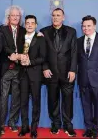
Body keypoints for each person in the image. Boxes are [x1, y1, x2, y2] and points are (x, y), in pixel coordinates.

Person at [40, 8, 77, 137]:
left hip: (67, 73)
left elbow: (73, 52)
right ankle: (55, 124)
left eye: (58, 15)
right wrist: (44, 67)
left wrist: (73, 70)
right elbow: (42, 52)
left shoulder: (71, 32)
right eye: (54, 15)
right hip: (51, 74)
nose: (55, 17)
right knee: (53, 100)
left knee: (68, 101)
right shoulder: (44, 32)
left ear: (63, 17)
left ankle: (68, 125)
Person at [0, 5, 26, 133]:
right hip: (6, 68)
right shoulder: (1, 29)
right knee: (2, 98)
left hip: (19, 70)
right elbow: (1, 46)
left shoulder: (24, 30)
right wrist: (12, 54)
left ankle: (12, 122)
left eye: (17, 15)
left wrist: (39, 35)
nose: (15, 17)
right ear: (8, 17)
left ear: (20, 17)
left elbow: (29, 43)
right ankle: (0, 124)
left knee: (16, 98)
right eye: (13, 15)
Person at [17, 15, 46, 138]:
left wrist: (30, 62)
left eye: (32, 23)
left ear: (35, 25)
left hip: (35, 75)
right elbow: (17, 54)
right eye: (27, 23)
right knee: (23, 102)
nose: (29, 25)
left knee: (35, 102)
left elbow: (43, 57)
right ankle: (25, 127)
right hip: (22, 74)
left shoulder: (40, 38)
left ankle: (34, 128)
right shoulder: (20, 38)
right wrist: (20, 59)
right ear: (25, 24)